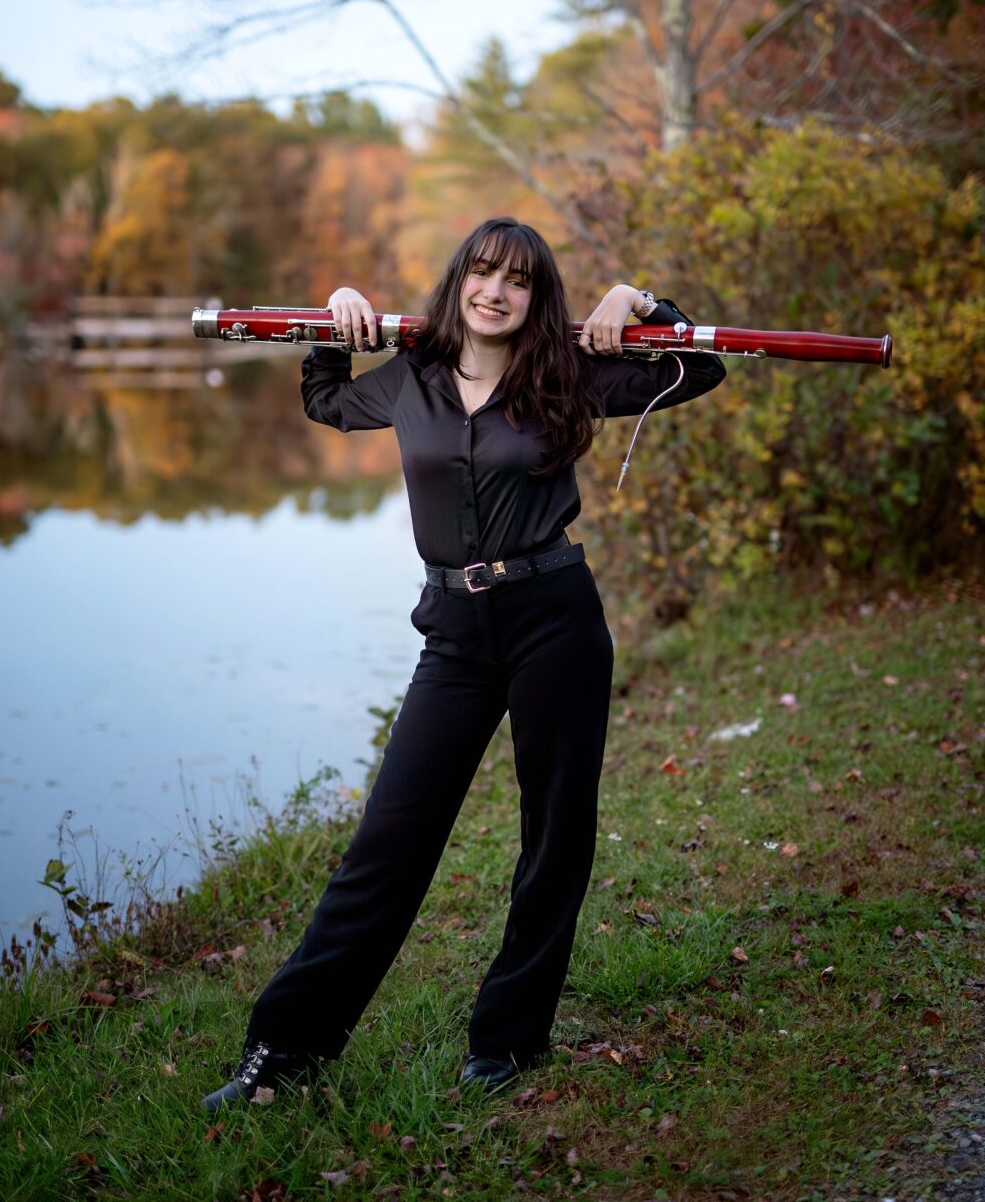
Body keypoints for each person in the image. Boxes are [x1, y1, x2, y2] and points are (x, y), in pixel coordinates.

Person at [201, 217, 726, 1110]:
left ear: (536, 298)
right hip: (453, 631)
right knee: (388, 841)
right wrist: (337, 319)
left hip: (555, 618)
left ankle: (511, 1039)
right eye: (482, 273)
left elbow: (698, 369)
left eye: (518, 281)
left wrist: (637, 303)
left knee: (554, 833)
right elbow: (327, 402)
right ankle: (284, 1051)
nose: (496, 291)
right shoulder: (412, 376)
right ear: (458, 283)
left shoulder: (567, 373)